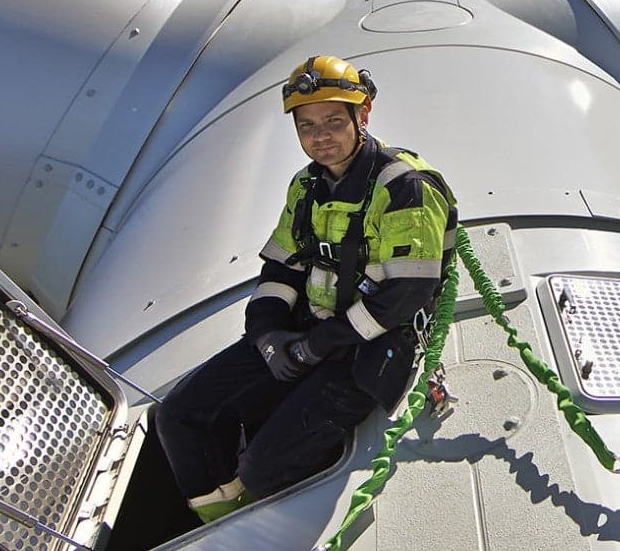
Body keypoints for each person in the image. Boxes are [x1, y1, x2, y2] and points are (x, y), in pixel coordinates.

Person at [157, 55, 457, 523]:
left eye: (334, 121)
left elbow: (406, 296)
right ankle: (216, 517)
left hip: (370, 346)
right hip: (309, 331)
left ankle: (246, 501)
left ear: (364, 115)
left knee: (263, 469)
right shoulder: (307, 187)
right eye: (307, 126)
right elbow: (282, 268)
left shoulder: (403, 187)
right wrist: (267, 335)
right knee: (178, 413)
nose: (320, 137)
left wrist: (314, 347)